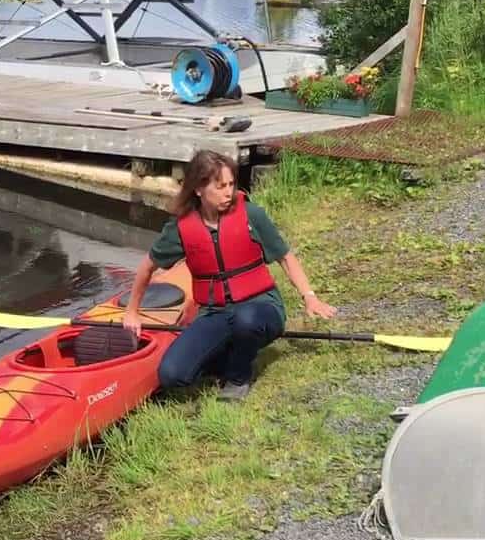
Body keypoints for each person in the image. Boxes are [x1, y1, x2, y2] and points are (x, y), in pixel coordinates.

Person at [122, 150, 337, 401]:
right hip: (216, 312)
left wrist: (309, 297)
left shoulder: (251, 215)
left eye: (231, 184)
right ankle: (229, 356)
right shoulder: (180, 229)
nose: (228, 192)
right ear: (199, 189)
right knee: (173, 375)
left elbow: (286, 258)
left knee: (246, 320)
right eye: (220, 186)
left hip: (261, 307)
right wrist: (132, 311)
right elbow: (147, 267)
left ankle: (238, 377)